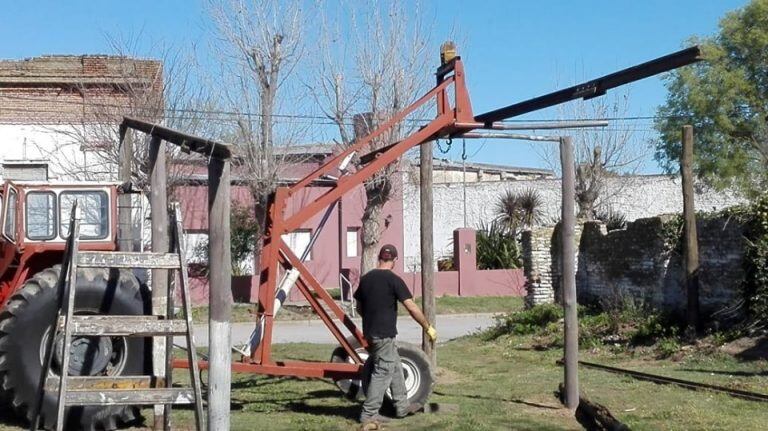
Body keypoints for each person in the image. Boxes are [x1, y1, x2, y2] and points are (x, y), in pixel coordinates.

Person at [353, 244, 438, 428]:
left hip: (371, 332)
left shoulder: (366, 279)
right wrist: (427, 327)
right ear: (395, 260)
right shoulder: (394, 280)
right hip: (384, 334)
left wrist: (372, 320)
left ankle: (402, 405)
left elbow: (359, 307)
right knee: (383, 371)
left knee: (395, 365)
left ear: (379, 258)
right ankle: (368, 414)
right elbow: (411, 307)